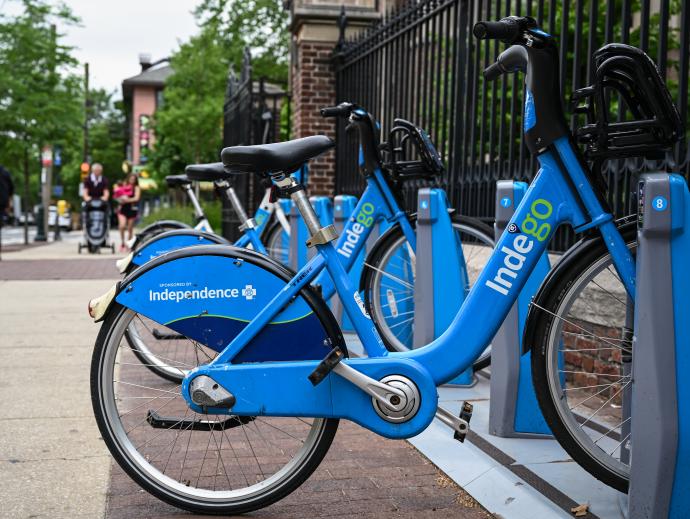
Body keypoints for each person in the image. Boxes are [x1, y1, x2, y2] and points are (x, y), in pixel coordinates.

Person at [115, 173, 141, 251]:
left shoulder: (136, 188)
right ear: (128, 179)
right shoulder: (123, 186)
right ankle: (122, 242)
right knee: (122, 226)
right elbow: (117, 195)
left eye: (134, 179)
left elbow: (136, 198)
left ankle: (128, 244)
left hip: (132, 209)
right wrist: (120, 199)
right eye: (131, 179)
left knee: (130, 228)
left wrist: (126, 200)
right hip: (122, 209)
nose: (132, 180)